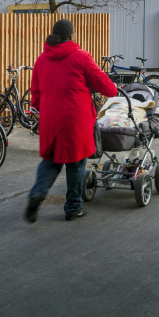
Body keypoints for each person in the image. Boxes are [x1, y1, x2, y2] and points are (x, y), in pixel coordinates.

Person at [25, 19, 118, 223]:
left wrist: (38, 109)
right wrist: (114, 89)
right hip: (75, 119)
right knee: (76, 162)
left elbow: (36, 92)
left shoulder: (42, 59)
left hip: (50, 119)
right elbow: (104, 85)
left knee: (50, 161)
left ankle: (37, 193)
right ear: (71, 36)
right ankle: (73, 207)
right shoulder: (81, 56)